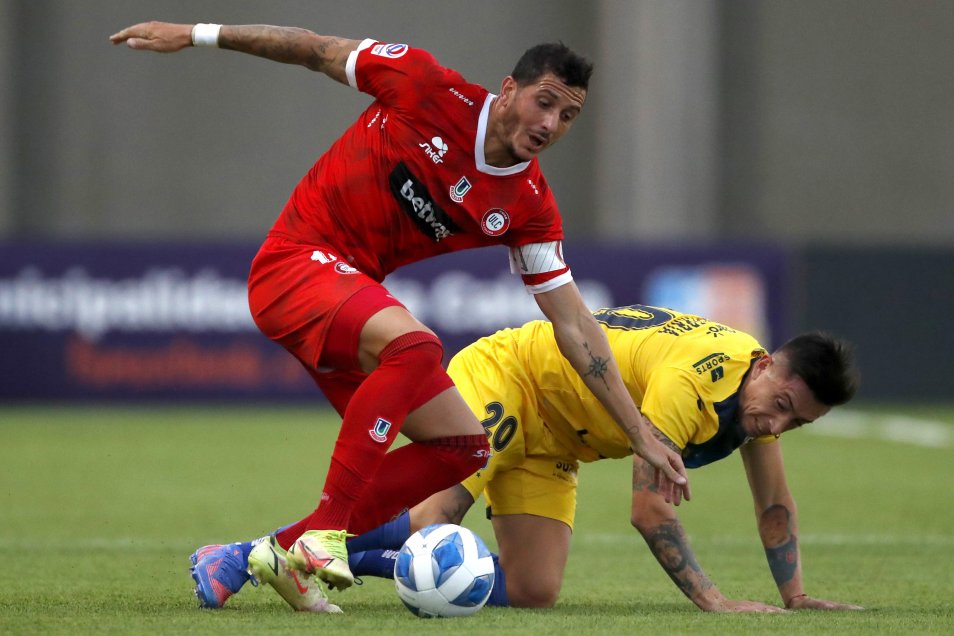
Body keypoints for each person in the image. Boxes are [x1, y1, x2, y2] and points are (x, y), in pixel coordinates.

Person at [109, 22, 689, 612]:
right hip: (294, 265)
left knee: (464, 448)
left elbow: (575, 325)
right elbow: (313, 49)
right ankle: (325, 534)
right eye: (544, 103)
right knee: (416, 346)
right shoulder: (425, 86)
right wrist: (198, 33)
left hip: (348, 299)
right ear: (509, 89)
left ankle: (253, 559)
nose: (549, 124)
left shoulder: (531, 208)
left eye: (567, 118)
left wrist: (640, 434)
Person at [338, 304, 864, 613]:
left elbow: (774, 501)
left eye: (796, 423)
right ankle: (279, 548)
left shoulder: (754, 397)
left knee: (533, 589)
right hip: (513, 377)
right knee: (432, 522)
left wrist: (794, 596)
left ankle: (338, 557)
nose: (777, 426)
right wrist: (715, 600)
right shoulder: (690, 383)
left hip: (558, 441)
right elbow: (648, 510)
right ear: (766, 365)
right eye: (781, 407)